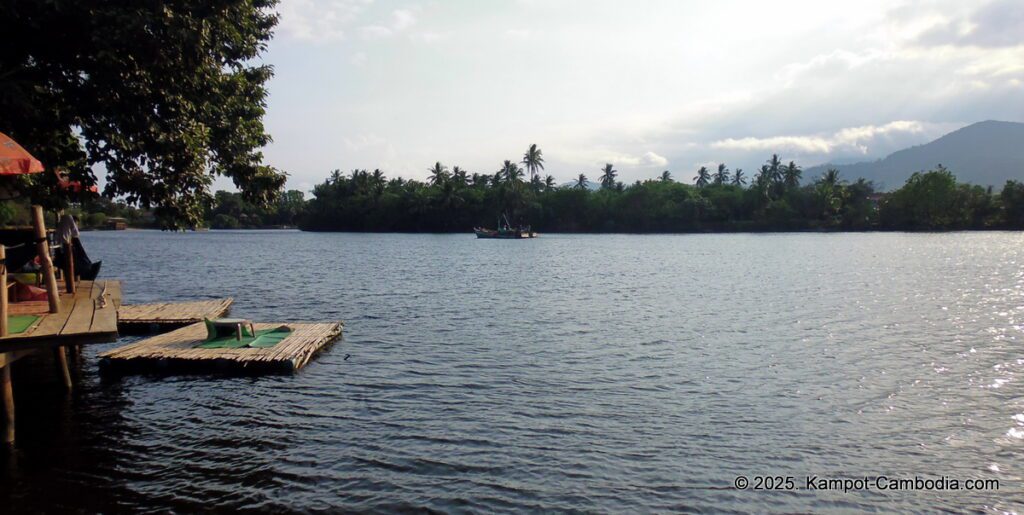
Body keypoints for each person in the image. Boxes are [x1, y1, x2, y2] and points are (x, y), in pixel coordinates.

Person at [55, 214, 102, 280]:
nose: (77, 226)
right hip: (66, 256)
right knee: (86, 263)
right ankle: (84, 275)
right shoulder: (68, 232)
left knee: (85, 260)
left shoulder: (61, 230)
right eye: (76, 224)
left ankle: (83, 274)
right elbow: (76, 234)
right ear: (73, 223)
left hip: (62, 254)